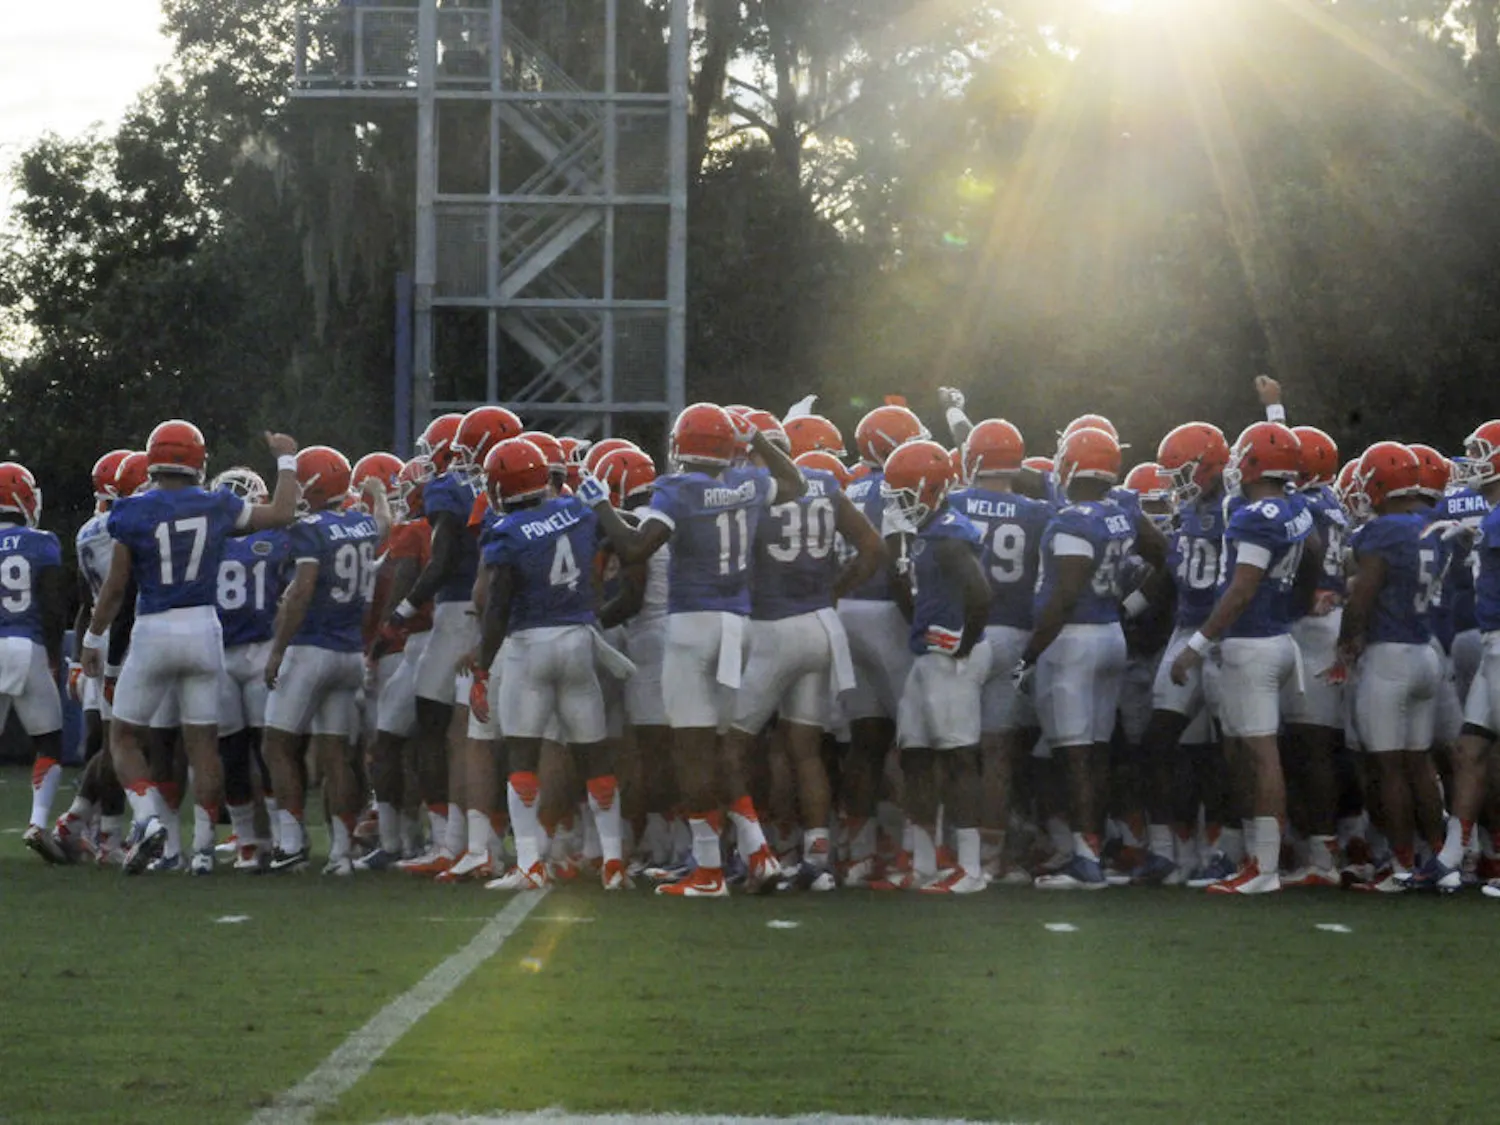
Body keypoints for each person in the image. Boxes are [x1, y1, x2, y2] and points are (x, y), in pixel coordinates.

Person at [578, 402, 807, 897]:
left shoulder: (677, 489)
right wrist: (762, 442)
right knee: (722, 745)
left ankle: (708, 870)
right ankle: (758, 851)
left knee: (691, 751)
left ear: (681, 447)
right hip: (736, 624)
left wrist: (599, 505)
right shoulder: (747, 482)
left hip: (692, 625)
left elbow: (637, 547)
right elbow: (796, 485)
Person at [80, 422, 301, 875]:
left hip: (154, 628)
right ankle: (202, 849)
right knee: (204, 745)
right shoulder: (217, 504)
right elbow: (281, 513)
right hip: (204, 629)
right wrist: (286, 458)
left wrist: (92, 637)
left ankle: (147, 820)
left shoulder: (131, 511)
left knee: (122, 737)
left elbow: (117, 587)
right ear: (197, 461)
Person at [726, 415, 883, 889]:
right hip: (820, 624)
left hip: (772, 626)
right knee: (806, 751)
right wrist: (835, 590)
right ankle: (817, 859)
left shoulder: (749, 489)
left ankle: (754, 851)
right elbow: (872, 548)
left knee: (729, 746)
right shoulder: (821, 482)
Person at [470, 438, 630, 890]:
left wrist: (483, 664)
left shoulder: (505, 531)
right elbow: (619, 545)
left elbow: (497, 603)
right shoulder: (579, 511)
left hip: (529, 645)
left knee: (522, 753)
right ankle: (614, 862)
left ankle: (529, 865)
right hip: (579, 640)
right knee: (594, 753)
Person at [1170, 422, 1321, 895]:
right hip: (1275, 638)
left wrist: (1194, 648)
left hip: (1251, 643)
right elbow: (1312, 553)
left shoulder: (1254, 517)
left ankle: (1267, 867)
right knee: (1253, 750)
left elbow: (1240, 589)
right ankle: (1260, 858)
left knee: (1260, 753)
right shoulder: (1295, 507)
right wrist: (1293, 607)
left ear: (1255, 462)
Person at [1019, 425, 1166, 890]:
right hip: (1110, 633)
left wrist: (1029, 654)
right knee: (1098, 749)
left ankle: (1085, 859)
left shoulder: (1071, 522)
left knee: (1076, 754)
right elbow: (1164, 554)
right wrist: (1132, 604)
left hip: (1074, 639)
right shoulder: (1122, 509)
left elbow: (1063, 596)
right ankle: (1094, 848)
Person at [260, 446, 390, 874]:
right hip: (349, 652)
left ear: (313, 484)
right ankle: (341, 853)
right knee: (337, 755)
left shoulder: (310, 528)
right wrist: (376, 494)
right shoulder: (362, 523)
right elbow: (385, 525)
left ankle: (293, 841)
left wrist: (278, 647)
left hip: (311, 648)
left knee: (277, 743)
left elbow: (301, 590)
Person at [883, 439, 993, 892]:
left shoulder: (948, 537)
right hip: (928, 654)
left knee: (958, 756)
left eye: (905, 494)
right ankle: (926, 864)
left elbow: (983, 595)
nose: (898, 504)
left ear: (931, 489)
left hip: (949, 658)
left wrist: (964, 645)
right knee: (915, 754)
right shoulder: (932, 532)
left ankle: (970, 868)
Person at [946, 418, 1051, 881]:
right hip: (1017, 635)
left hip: (967, 633)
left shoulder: (954, 501)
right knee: (999, 751)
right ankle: (992, 855)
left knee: (956, 749)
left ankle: (959, 850)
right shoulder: (1037, 512)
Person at [1338, 442, 1446, 888]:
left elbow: (1363, 595)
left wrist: (1347, 639)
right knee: (1419, 763)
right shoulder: (1433, 523)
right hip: (1425, 651)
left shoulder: (1383, 531)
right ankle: (1440, 859)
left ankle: (1401, 864)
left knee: (1388, 768)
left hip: (1389, 655)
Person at [211, 467, 293, 871]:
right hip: (258, 649)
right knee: (264, 750)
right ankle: (277, 838)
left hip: (226, 652)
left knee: (234, 752)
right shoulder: (276, 539)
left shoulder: (207, 541)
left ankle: (249, 840)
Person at [0, 464, 70, 862]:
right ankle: (38, 822)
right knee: (49, 741)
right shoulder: (41, 542)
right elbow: (52, 605)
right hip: (26, 644)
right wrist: (54, 653)